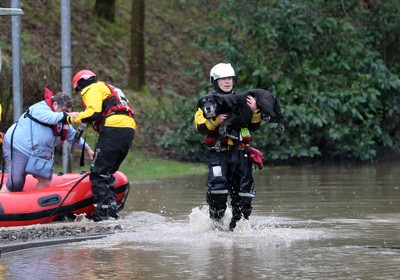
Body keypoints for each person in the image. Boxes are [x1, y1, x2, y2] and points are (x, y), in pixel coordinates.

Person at [194, 63, 262, 231]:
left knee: (244, 195)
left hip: (240, 154)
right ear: (215, 81)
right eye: (223, 79)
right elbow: (200, 126)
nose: (227, 82)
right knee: (217, 191)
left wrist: (254, 109)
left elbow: (254, 126)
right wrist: (217, 121)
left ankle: (238, 229)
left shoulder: (243, 100)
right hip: (219, 154)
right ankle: (216, 226)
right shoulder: (207, 101)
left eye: (229, 78)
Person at [66, 69, 136, 222]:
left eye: (79, 89)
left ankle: (102, 215)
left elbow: (93, 113)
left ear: (82, 84)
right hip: (128, 128)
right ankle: (111, 211)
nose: (80, 93)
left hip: (113, 127)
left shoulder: (91, 88)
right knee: (107, 172)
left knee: (98, 172)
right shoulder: (108, 88)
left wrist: (71, 119)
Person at [1, 92, 94, 193]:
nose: (66, 114)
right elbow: (52, 118)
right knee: (15, 184)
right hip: (18, 148)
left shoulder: (63, 119)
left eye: (68, 111)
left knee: (45, 181)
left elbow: (72, 136)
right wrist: (72, 116)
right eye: (64, 111)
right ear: (55, 105)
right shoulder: (39, 109)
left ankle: (34, 207)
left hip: (38, 154)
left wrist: (87, 148)